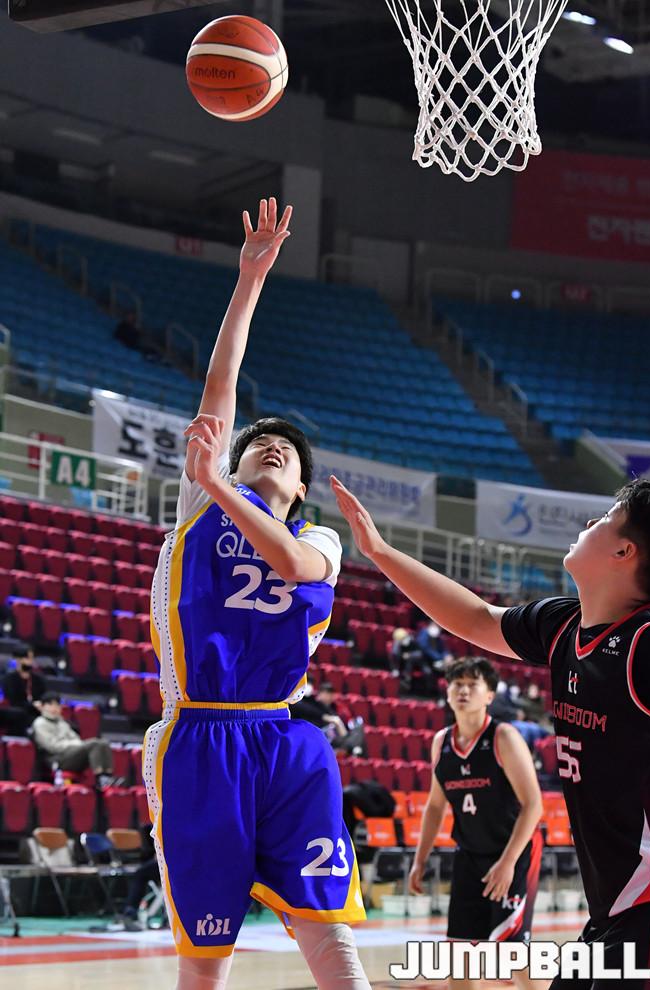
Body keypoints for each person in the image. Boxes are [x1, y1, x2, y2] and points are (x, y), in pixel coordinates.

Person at [143, 198, 369, 990]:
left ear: (301, 488)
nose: (269, 445)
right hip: (200, 737)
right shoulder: (200, 500)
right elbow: (222, 382)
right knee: (206, 961)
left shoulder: (321, 539)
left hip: (284, 740)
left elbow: (296, 567)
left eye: (285, 450)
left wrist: (219, 483)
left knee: (330, 938)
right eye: (256, 443)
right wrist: (250, 280)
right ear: (232, 463)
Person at [332, 475, 650, 990]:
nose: (589, 521)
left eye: (606, 517)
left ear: (624, 550)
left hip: (649, 913)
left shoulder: (649, 642)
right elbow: (476, 618)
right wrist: (379, 552)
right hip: (610, 915)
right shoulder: (563, 626)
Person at [409, 657, 544, 989]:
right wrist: (420, 859)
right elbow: (435, 806)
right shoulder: (441, 742)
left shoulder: (504, 737)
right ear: (447, 692)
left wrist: (508, 863)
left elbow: (534, 805)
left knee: (512, 954)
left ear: (490, 695)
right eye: (457, 684)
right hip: (470, 854)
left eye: (473, 685)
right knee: (459, 955)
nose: (464, 691)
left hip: (514, 851)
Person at [32, 693, 115, 787]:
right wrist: (72, 744)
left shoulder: (62, 723)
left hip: (70, 754)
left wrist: (74, 744)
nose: (54, 708)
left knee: (103, 743)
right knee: (94, 744)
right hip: (56, 759)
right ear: (42, 707)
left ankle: (107, 776)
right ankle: (101, 779)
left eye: (57, 705)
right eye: (50, 705)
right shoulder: (40, 723)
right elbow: (52, 747)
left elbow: (76, 739)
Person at [1, 647, 46, 733]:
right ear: (18, 659)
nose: (31, 661)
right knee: (20, 715)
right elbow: (13, 701)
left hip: (36, 712)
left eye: (32, 658)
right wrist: (32, 705)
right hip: (18, 712)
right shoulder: (9, 679)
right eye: (28, 658)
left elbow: (44, 696)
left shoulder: (38, 679)